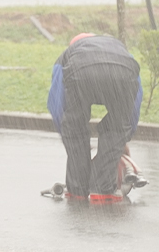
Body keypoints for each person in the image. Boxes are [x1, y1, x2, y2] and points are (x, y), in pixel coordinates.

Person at [46, 32, 143, 202]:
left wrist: (68, 134)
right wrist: (123, 136)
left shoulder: (67, 57)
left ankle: (77, 191)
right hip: (122, 74)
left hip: (81, 72)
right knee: (115, 127)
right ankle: (102, 190)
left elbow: (56, 104)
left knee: (75, 127)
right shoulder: (125, 55)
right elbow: (134, 105)